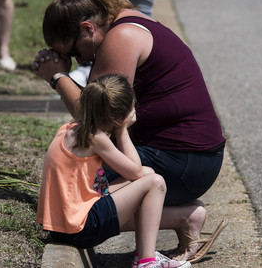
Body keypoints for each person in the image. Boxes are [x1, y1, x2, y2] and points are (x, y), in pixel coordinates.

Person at [32, 0, 227, 263]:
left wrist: (57, 76)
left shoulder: (120, 38)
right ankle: (184, 218)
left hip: (187, 162)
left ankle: (179, 221)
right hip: (193, 157)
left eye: (73, 52)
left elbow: (94, 120)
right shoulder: (127, 19)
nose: (76, 60)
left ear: (87, 28)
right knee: (76, 187)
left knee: (76, 191)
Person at [37, 74, 191, 268]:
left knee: (149, 173)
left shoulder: (71, 129)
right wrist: (122, 131)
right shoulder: (96, 138)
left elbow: (134, 172)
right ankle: (146, 262)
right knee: (156, 182)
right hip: (80, 228)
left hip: (62, 227)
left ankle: (144, 255)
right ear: (119, 118)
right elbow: (134, 171)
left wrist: (120, 126)